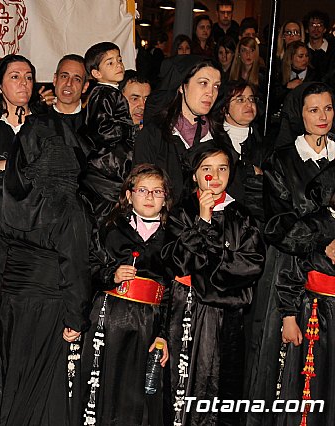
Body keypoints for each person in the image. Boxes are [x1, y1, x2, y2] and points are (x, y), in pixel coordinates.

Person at [0, 108, 91, 426]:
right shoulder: (68, 207)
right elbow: (75, 267)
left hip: (12, 302)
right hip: (50, 305)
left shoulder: (5, 201)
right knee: (42, 389)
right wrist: (76, 316)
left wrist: (3, 299)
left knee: (14, 379)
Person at [246, 82, 335, 426]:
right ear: (300, 115)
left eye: (327, 108)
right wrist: (327, 230)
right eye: (313, 110)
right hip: (290, 277)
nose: (322, 116)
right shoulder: (282, 161)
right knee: (286, 375)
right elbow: (281, 226)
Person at [163, 142, 265, 425]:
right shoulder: (182, 212)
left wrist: (205, 273)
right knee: (181, 389)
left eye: (222, 168)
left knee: (222, 393)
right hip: (185, 314)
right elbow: (178, 263)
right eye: (206, 169)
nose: (215, 176)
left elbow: (250, 266)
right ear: (195, 175)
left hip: (227, 319)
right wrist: (203, 223)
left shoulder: (242, 216)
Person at [82, 163, 171, 426]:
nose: (150, 197)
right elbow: (88, 267)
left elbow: (173, 292)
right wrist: (111, 275)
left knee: (141, 395)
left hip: (149, 322)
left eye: (157, 191)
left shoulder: (174, 236)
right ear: (129, 195)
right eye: (142, 190)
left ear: (166, 198)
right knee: (105, 387)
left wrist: (163, 334)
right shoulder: (109, 228)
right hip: (110, 318)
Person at [276, 164, 335, 426]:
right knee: (314, 386)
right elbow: (291, 272)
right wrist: (289, 316)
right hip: (318, 314)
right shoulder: (313, 225)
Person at [135, 56, 236, 203]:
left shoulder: (218, 137)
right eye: (203, 83)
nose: (211, 93)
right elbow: (140, 191)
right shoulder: (154, 135)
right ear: (182, 86)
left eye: (216, 86)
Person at [80, 41, 137, 224]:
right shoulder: (104, 94)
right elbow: (102, 130)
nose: (119, 65)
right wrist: (130, 130)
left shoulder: (111, 92)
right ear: (96, 73)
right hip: (106, 168)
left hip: (111, 164)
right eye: (110, 63)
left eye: (119, 60)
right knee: (105, 218)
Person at [218, 79, 269, 223]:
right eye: (240, 100)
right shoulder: (212, 141)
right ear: (224, 108)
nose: (249, 104)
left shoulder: (266, 144)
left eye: (251, 99)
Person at [50, 54, 89, 131]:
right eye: (64, 76)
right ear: (55, 79)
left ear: (85, 87)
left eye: (76, 79)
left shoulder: (94, 125)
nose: (69, 83)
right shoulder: (36, 119)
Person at [304, 10, 335, 78]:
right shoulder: (303, 51)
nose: (316, 28)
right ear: (306, 29)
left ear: (324, 29)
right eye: (312, 25)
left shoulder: (333, 50)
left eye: (320, 25)